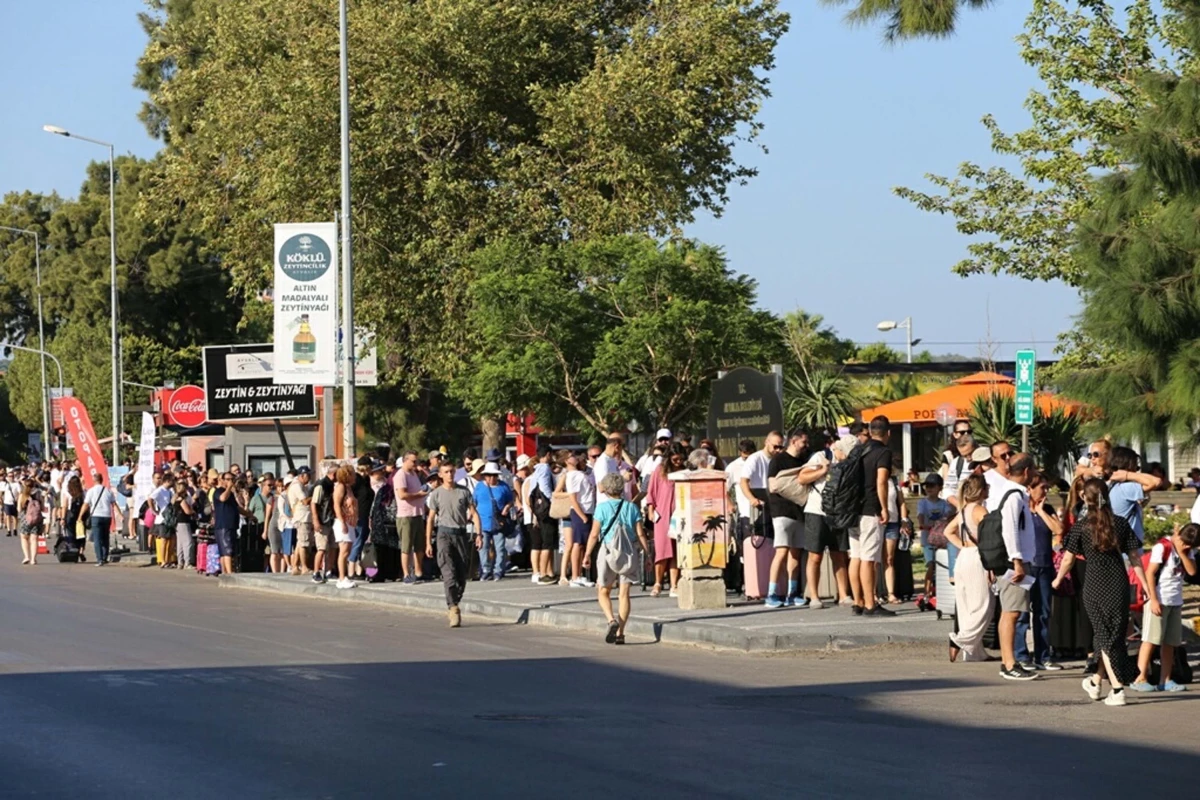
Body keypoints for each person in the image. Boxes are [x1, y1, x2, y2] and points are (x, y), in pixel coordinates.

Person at [1053, 479, 1151, 706]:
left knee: (1104, 635)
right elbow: (1135, 558)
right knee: (1111, 634)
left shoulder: (1081, 525)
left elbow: (1068, 558)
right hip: (1118, 582)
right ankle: (1096, 680)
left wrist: (1058, 579)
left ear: (1085, 498)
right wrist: (1146, 587)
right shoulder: (1120, 523)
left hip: (1094, 583)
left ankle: (1117, 689)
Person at [582, 472, 651, 645]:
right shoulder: (632, 508)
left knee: (603, 590)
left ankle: (611, 620)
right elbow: (641, 533)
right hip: (629, 552)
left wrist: (587, 554)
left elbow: (594, 534)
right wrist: (648, 555)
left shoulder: (601, 509)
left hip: (607, 552)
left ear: (605, 489)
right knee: (624, 594)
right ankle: (621, 632)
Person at [987, 452, 1039, 681]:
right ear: (1027, 471)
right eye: (1034, 471)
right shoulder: (1013, 496)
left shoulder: (1008, 492)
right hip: (1012, 562)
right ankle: (1009, 663)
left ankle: (1009, 661)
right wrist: (1017, 561)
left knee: (1011, 611)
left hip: (1010, 560)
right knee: (1011, 612)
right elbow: (1010, 529)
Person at [1131, 523, 1198, 692]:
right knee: (1151, 640)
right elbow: (1150, 573)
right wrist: (1153, 599)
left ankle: (1165, 679)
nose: (1184, 546)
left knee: (1170, 643)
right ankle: (1141, 677)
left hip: (1175, 601)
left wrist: (1183, 553)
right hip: (1159, 599)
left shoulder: (1186, 551)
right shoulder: (1162, 547)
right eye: (1183, 542)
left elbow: (1191, 572)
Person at [943, 475, 995, 663]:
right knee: (984, 605)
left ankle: (974, 652)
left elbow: (948, 531)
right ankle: (960, 640)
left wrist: (962, 546)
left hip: (964, 557)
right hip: (976, 557)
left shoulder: (964, 510)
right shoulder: (980, 510)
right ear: (981, 490)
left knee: (967, 607)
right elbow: (989, 536)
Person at [1015, 473, 1063, 672]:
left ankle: (1043, 656)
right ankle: (1021, 655)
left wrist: (1042, 511)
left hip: (1044, 566)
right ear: (1030, 489)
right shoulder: (1020, 509)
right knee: (1022, 613)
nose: (1045, 491)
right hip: (1027, 566)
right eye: (1042, 488)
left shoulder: (1047, 509)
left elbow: (1059, 529)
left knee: (1043, 612)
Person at [426, 462, 482, 627]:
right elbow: (430, 519)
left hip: (461, 535)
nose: (450, 475)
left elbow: (474, 513)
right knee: (448, 573)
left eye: (452, 472)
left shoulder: (463, 492)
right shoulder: (436, 494)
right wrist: (428, 542)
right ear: (441, 475)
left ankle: (455, 601)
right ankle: (453, 607)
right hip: (444, 534)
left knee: (462, 574)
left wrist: (479, 534)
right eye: (446, 472)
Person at [851, 416, 894, 617]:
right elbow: (882, 481)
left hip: (852, 510)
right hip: (870, 510)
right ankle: (870, 604)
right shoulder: (883, 452)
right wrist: (884, 508)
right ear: (888, 433)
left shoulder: (859, 449)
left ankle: (858, 601)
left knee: (857, 557)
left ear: (869, 430)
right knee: (869, 559)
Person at [801, 433, 849, 608]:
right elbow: (802, 477)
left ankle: (843, 594)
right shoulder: (820, 457)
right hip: (816, 511)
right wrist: (823, 470)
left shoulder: (848, 463)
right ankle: (814, 596)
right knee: (815, 555)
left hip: (837, 513)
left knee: (839, 554)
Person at [765, 430, 809, 608]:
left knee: (795, 553)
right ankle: (772, 593)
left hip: (799, 512)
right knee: (781, 551)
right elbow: (773, 485)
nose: (806, 445)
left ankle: (793, 592)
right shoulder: (778, 461)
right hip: (781, 511)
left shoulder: (804, 462)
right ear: (794, 441)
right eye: (804, 442)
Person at [644, 444, 687, 598]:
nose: (678, 461)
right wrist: (650, 510)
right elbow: (651, 491)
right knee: (662, 549)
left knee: (676, 550)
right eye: (675, 458)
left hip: (680, 514)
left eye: (681, 459)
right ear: (669, 457)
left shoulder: (685, 471)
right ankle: (658, 582)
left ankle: (674, 585)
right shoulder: (660, 470)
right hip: (662, 514)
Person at [560, 450, 597, 588]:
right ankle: (575, 576)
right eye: (571, 457)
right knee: (578, 543)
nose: (575, 458)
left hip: (587, 509)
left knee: (582, 544)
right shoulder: (572, 476)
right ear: (566, 461)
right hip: (581, 511)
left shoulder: (579, 473)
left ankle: (579, 574)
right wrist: (582, 515)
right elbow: (573, 498)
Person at [393, 451, 429, 584]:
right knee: (406, 546)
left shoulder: (414, 474)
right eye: (413, 461)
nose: (416, 464)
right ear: (405, 460)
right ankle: (406, 574)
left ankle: (418, 572)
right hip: (405, 515)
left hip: (418, 513)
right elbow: (402, 495)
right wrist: (419, 494)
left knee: (419, 545)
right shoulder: (400, 475)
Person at [474, 462, 513, 581]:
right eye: (489, 475)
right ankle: (486, 570)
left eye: (494, 475)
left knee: (500, 547)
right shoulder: (479, 487)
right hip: (483, 522)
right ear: (485, 475)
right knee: (483, 547)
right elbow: (473, 503)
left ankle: (498, 570)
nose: (491, 478)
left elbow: (511, 500)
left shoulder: (504, 487)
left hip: (498, 522)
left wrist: (507, 507)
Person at [881, 451, 911, 604]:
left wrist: (904, 519)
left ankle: (891, 593)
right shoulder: (872, 479)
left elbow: (902, 502)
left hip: (892, 521)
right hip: (877, 521)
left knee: (889, 558)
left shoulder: (893, 481)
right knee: (872, 560)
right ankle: (873, 593)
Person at [916, 473, 951, 597]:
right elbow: (920, 515)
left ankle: (942, 589)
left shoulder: (944, 504)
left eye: (932, 486)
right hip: (928, 539)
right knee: (931, 565)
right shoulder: (923, 503)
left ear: (940, 488)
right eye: (927, 486)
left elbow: (947, 515)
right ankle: (926, 591)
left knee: (942, 565)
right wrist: (922, 524)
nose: (929, 488)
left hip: (941, 539)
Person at [529, 445, 559, 585]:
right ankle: (543, 573)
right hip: (546, 510)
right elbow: (545, 487)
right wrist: (553, 500)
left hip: (538, 510)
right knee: (548, 542)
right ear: (547, 454)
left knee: (545, 541)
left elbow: (531, 492)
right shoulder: (545, 469)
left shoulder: (535, 471)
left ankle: (547, 572)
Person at [329, 465, 358, 589]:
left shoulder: (348, 487)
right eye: (352, 473)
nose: (354, 476)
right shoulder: (340, 487)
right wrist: (342, 522)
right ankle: (341, 578)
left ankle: (343, 576)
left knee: (348, 550)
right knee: (344, 551)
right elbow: (336, 505)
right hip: (343, 522)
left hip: (350, 522)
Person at [211, 472, 244, 576]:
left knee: (228, 550)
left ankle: (225, 572)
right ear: (222, 480)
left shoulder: (231, 495)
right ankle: (229, 573)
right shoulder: (218, 491)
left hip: (231, 525)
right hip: (223, 525)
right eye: (228, 479)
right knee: (226, 550)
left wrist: (249, 514)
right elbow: (222, 498)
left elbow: (236, 507)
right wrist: (229, 488)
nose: (230, 482)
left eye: (232, 479)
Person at [311, 464, 338, 583]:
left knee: (333, 547)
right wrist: (316, 521)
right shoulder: (321, 485)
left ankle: (328, 571)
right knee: (321, 548)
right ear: (333, 474)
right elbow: (314, 503)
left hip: (331, 520)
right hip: (322, 520)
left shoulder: (332, 485)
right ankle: (316, 572)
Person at [81, 474, 116, 566]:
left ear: (94, 480)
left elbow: (86, 504)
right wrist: (119, 515)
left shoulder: (91, 491)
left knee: (97, 539)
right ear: (102, 480)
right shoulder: (108, 491)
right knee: (105, 538)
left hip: (96, 516)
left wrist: (80, 516)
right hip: (107, 516)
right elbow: (113, 504)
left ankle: (99, 559)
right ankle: (104, 557)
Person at [289, 467, 315, 575]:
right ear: (302, 475)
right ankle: (304, 567)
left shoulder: (300, 485)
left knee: (300, 543)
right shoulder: (297, 486)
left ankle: (295, 566)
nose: (309, 477)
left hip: (302, 517)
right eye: (308, 475)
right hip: (302, 517)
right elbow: (304, 501)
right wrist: (314, 497)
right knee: (304, 543)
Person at [16, 480, 44, 565]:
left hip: (25, 519)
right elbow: (42, 507)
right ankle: (33, 559)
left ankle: (26, 557)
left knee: (24, 538)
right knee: (34, 539)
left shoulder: (22, 495)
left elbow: (19, 509)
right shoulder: (38, 494)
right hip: (36, 519)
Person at [60, 475, 86, 562]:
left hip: (70, 516)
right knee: (81, 534)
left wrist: (62, 518)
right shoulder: (83, 493)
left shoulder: (67, 493)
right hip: (81, 516)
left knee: (71, 534)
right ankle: (81, 550)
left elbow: (64, 506)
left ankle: (73, 550)